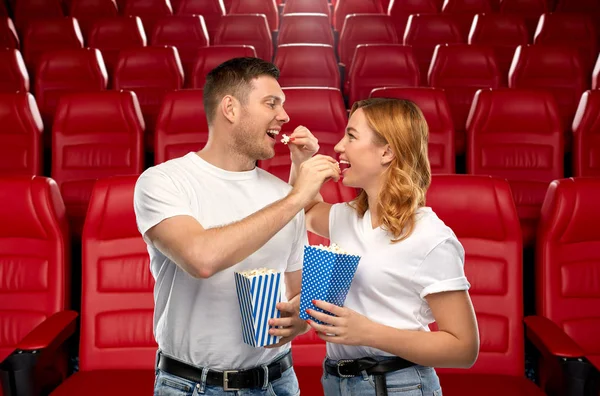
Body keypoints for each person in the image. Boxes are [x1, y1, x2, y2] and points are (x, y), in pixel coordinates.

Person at [133, 57, 339, 395]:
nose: (285, 116)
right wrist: (298, 195)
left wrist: (301, 319)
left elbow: (296, 285)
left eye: (283, 105)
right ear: (230, 108)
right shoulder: (164, 181)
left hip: (279, 381)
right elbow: (201, 259)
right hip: (194, 385)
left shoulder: (282, 194)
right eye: (271, 103)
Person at [287, 98, 480, 396]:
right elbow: (302, 209)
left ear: (387, 151)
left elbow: (463, 348)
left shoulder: (430, 237)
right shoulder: (348, 217)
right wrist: (302, 160)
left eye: (351, 136)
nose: (339, 147)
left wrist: (366, 332)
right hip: (338, 382)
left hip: (398, 385)